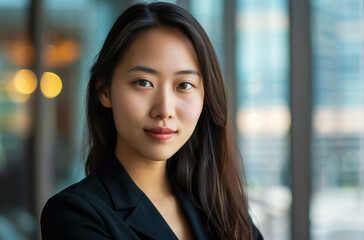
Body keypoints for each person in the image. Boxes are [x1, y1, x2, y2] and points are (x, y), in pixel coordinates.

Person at [41, 2, 263, 240]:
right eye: (143, 82)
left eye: (184, 85)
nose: (164, 110)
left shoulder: (221, 209)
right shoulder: (74, 214)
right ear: (105, 91)